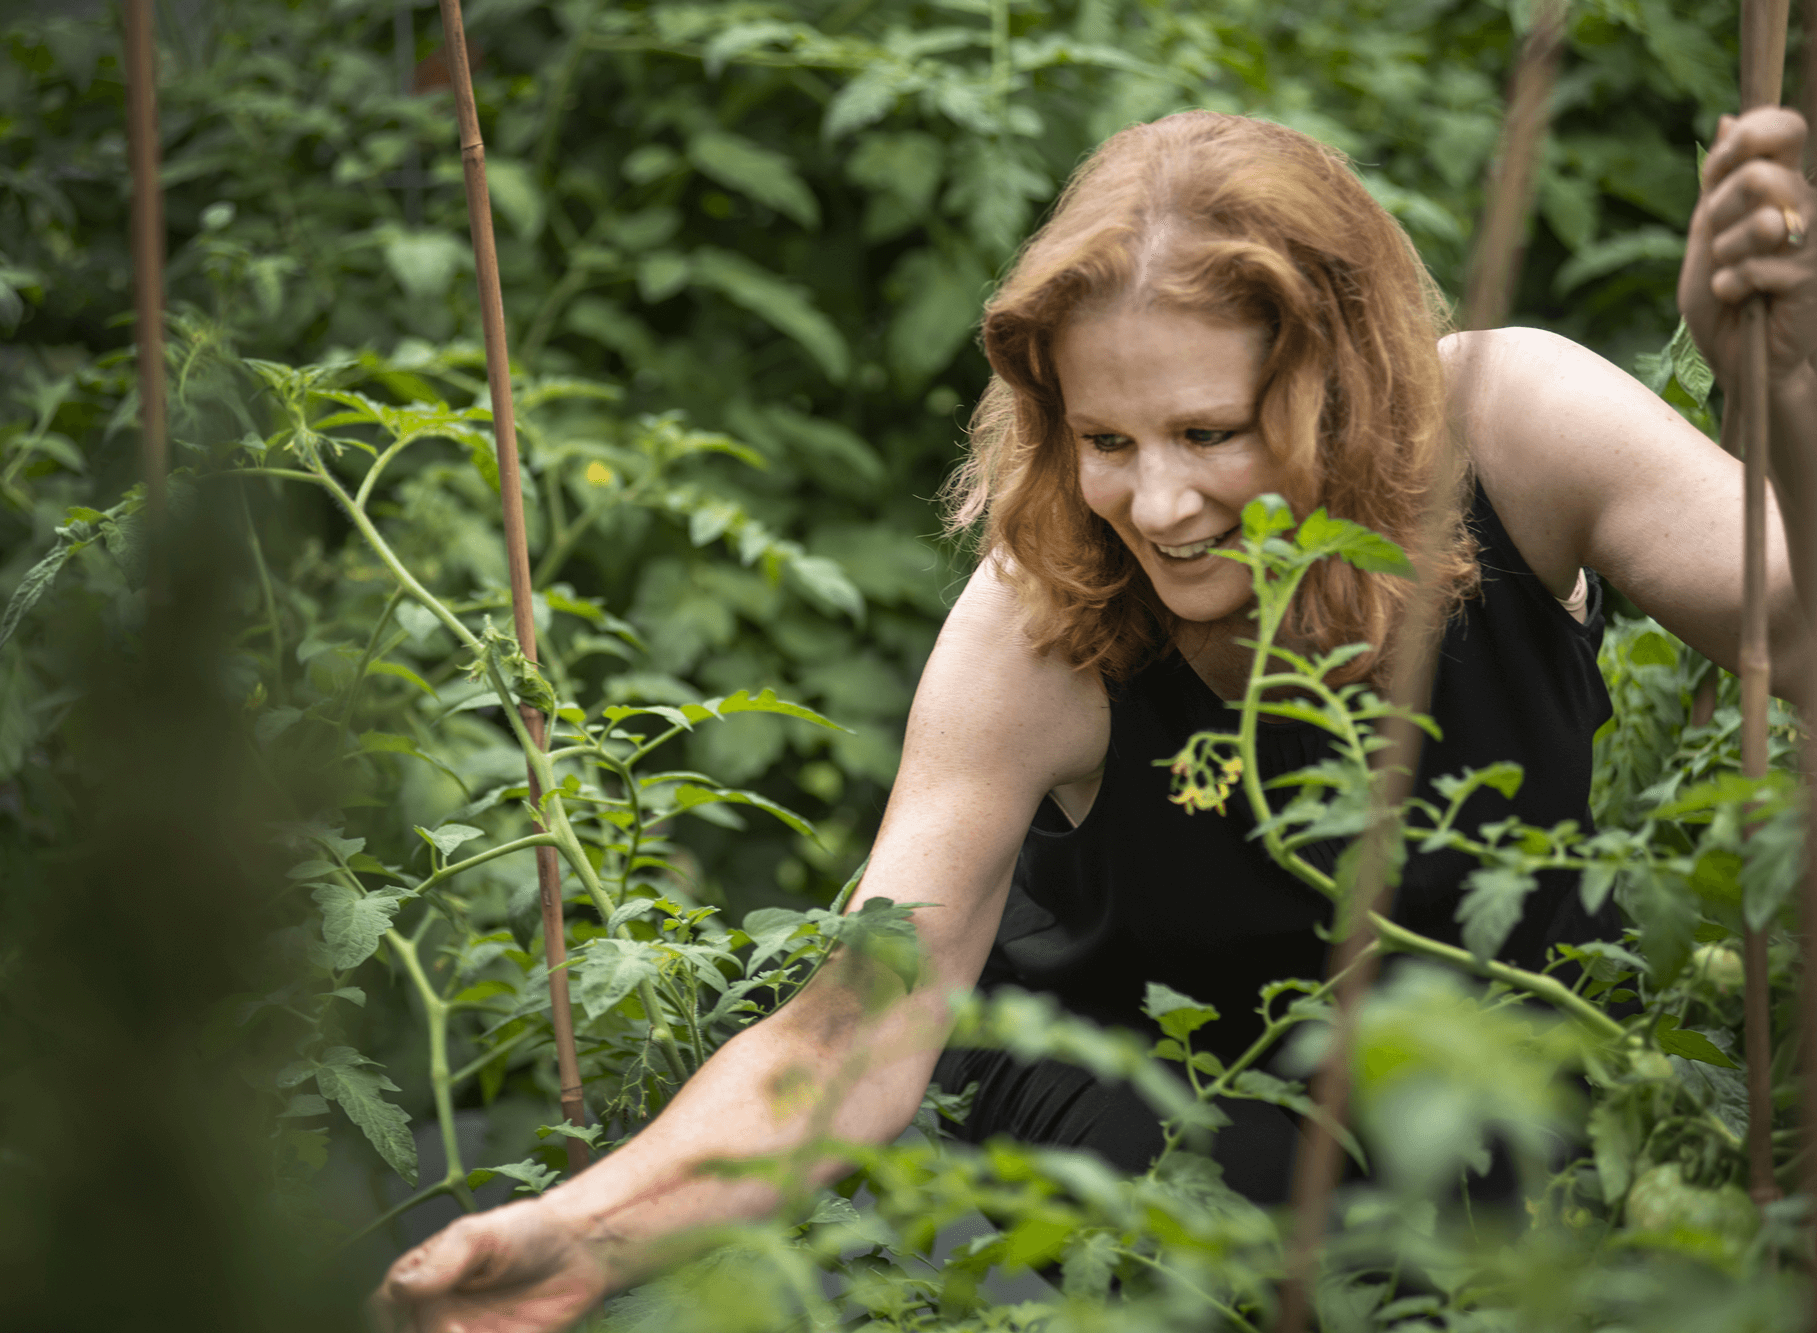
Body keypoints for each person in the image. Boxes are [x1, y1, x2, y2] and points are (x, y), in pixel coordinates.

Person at [370, 106, 1817, 1330]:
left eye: (1211, 432)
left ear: (1347, 383)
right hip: (1159, 1133)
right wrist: (581, 1235)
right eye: (1105, 441)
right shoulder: (1041, 617)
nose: (1159, 505)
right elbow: (849, 1035)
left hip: (1490, 1090)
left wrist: (1786, 389)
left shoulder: (1518, 427)